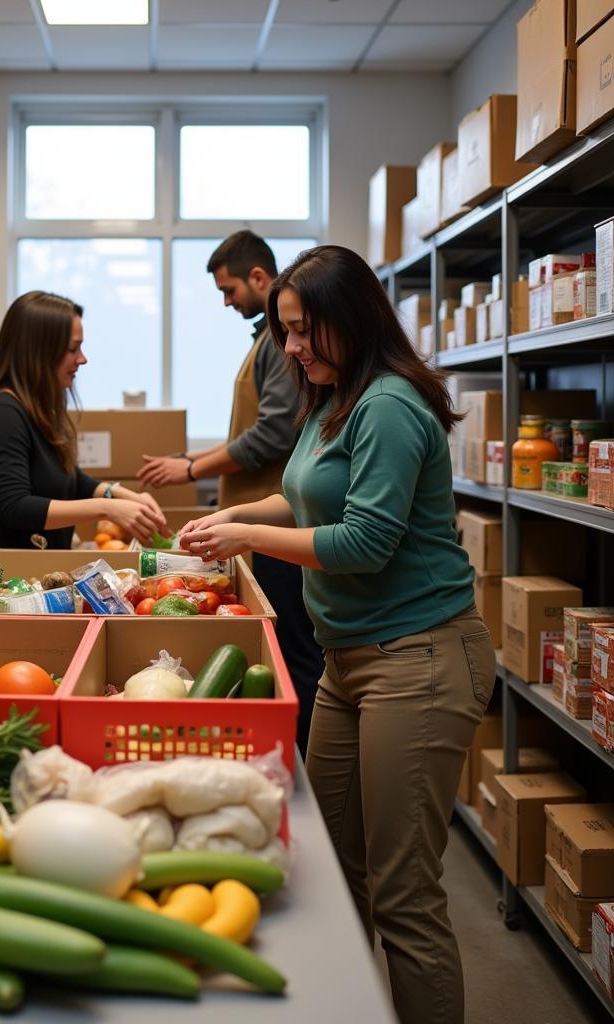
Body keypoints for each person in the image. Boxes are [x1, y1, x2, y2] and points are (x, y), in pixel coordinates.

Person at [180, 244, 495, 1024]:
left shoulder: (388, 405)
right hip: (350, 667)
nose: (288, 348)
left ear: (350, 321)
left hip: (417, 660)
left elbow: (363, 541)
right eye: (284, 331)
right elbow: (310, 494)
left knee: (404, 896)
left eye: (301, 332)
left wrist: (246, 542)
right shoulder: (332, 394)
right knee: (331, 873)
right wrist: (238, 515)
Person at [137, 230, 323, 755]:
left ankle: (296, 752)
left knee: (293, 653)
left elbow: (269, 436)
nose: (226, 302)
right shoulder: (266, 344)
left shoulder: (276, 348)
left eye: (230, 290)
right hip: (259, 521)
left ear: (259, 278)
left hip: (279, 531)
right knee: (284, 648)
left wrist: (191, 468)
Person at [0, 290, 166, 549]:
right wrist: (108, 508)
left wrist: (121, 494)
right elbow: (15, 507)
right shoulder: (2, 414)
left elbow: (65, 479)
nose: (82, 359)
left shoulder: (37, 408)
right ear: (38, 353)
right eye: (73, 349)